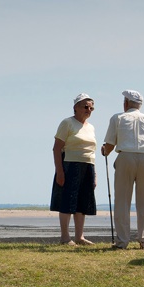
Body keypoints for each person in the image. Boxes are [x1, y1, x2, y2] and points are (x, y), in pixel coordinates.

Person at [101, 90, 144, 250]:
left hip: (125, 157)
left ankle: (122, 241)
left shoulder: (117, 118)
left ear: (126, 103)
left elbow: (109, 145)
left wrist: (104, 151)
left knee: (122, 200)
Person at [50, 93, 97, 245]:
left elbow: (92, 152)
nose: (88, 110)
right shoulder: (67, 123)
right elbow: (57, 148)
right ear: (76, 107)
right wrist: (59, 171)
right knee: (67, 201)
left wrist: (94, 175)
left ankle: (79, 237)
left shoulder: (91, 127)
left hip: (88, 166)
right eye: (85, 107)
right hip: (70, 165)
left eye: (91, 108)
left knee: (82, 202)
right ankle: (65, 237)